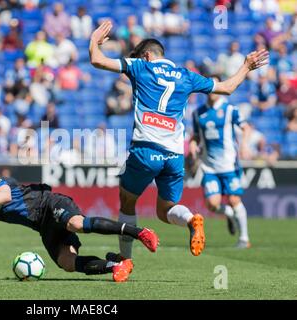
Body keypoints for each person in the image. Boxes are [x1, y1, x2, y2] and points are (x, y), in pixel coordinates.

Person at [88, 20, 268, 261]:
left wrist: (94, 40)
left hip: (146, 150)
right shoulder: (187, 76)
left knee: (127, 201)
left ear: (148, 55)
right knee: (165, 210)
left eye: (139, 57)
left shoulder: (140, 66)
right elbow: (226, 88)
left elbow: (97, 60)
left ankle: (125, 260)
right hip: (174, 157)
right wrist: (246, 66)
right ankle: (191, 219)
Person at [0, 157, 159, 282]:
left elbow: (3, 196)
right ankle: (117, 264)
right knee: (66, 262)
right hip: (42, 226)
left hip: (48, 203)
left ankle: (139, 232)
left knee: (76, 223)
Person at [189, 76, 251, 248]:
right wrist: (193, 145)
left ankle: (244, 239)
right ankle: (229, 215)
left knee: (234, 199)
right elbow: (194, 136)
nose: (212, 89)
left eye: (216, 84)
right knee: (212, 204)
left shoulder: (230, 109)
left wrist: (244, 145)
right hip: (209, 167)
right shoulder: (198, 113)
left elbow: (246, 128)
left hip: (229, 164)